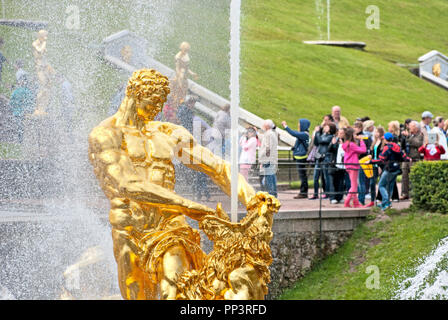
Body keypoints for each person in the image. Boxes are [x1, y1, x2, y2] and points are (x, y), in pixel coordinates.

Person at [371, 132, 411, 211]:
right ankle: (387, 203)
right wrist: (409, 159)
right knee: (390, 186)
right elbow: (404, 157)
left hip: (389, 169)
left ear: (386, 139)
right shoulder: (397, 146)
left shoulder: (387, 147)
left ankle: (385, 202)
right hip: (396, 169)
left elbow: (381, 159)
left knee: (381, 185)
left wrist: (371, 161)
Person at [282, 118, 311, 199]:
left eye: (300, 124)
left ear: (303, 125)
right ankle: (303, 192)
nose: (298, 125)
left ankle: (303, 192)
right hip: (299, 157)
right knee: (302, 176)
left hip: (301, 157)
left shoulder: (304, 134)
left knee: (303, 176)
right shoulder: (303, 134)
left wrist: (286, 126)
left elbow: (293, 133)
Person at [342, 127, 366, 208]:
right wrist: (362, 141)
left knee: (354, 185)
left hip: (348, 165)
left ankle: (355, 203)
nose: (356, 135)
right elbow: (363, 150)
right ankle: (348, 201)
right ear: (352, 135)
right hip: (353, 165)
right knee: (354, 186)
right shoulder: (351, 144)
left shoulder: (346, 143)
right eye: (355, 134)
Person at [310, 122, 335, 199]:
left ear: (331, 128)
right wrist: (317, 134)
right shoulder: (321, 135)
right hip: (319, 157)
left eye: (327, 127)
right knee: (315, 176)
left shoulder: (331, 136)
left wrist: (317, 132)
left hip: (325, 157)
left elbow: (322, 141)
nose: (324, 128)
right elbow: (316, 143)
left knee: (326, 176)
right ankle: (315, 193)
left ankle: (327, 193)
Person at [400, 121, 424, 200]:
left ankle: (413, 194)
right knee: (404, 177)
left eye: (411, 126)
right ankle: (404, 193)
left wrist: (409, 136)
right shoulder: (407, 135)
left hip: (414, 159)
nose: (409, 128)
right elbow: (402, 145)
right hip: (406, 158)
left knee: (413, 177)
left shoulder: (419, 135)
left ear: (416, 128)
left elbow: (418, 144)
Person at [8, 76, 35, 142]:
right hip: (25, 113)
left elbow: (11, 102)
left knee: (19, 126)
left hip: (17, 112)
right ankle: (27, 139)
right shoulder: (28, 91)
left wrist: (13, 108)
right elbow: (31, 101)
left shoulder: (16, 91)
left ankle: (20, 140)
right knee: (26, 127)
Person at [354, 122, 372, 206]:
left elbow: (364, 149)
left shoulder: (363, 137)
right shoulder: (357, 137)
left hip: (362, 160)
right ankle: (360, 198)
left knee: (361, 181)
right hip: (359, 160)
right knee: (359, 181)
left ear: (360, 128)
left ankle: (361, 199)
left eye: (356, 127)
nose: (355, 129)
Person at [259, 119, 278, 198]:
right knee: (271, 178)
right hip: (271, 159)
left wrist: (263, 159)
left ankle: (272, 197)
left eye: (263, 125)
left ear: (267, 126)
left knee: (269, 180)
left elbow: (267, 147)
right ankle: (273, 196)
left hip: (268, 160)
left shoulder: (269, 134)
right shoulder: (271, 133)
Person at [327, 127, 346, 204]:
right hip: (333, 163)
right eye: (339, 133)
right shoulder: (335, 140)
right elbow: (329, 150)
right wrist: (332, 144)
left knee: (340, 181)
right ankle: (332, 197)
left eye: (342, 133)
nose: (340, 135)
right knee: (332, 181)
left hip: (342, 165)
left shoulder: (346, 142)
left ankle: (339, 197)